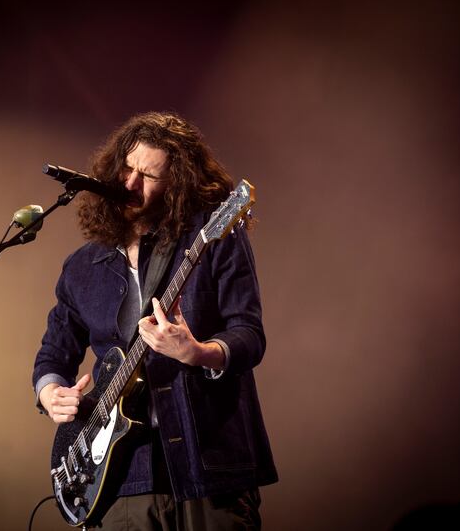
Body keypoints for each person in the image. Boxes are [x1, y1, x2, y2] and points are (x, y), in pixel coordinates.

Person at [32, 112, 277, 530]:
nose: (130, 184)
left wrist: (197, 352)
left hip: (207, 468)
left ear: (177, 185)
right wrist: (51, 391)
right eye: (127, 169)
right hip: (120, 479)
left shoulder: (212, 238)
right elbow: (54, 354)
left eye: (148, 175)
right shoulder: (82, 266)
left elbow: (249, 335)